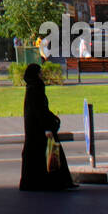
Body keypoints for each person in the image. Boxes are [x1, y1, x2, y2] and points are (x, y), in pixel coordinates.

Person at [19, 63, 75, 191]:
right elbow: (40, 110)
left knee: (35, 156)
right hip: (40, 128)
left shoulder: (30, 87)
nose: (42, 74)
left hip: (33, 128)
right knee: (50, 154)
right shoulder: (37, 87)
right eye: (40, 72)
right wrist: (47, 127)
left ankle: (34, 182)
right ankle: (55, 182)